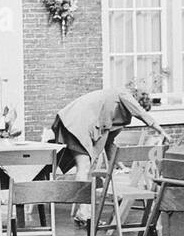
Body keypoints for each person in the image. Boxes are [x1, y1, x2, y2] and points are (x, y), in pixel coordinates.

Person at [51, 83, 169, 220]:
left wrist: (121, 166)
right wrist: (160, 130)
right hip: (76, 122)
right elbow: (140, 113)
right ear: (134, 100)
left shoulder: (116, 114)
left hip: (75, 121)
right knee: (84, 167)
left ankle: (83, 211)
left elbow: (109, 144)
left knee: (84, 168)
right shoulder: (122, 93)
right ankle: (83, 212)